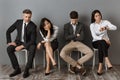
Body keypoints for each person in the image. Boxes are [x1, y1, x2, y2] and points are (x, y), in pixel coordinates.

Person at [60, 11, 93, 75]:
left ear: (77, 18)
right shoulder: (66, 25)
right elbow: (66, 37)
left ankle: (73, 66)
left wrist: (72, 36)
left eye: (75, 19)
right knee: (62, 54)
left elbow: (82, 37)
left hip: (78, 42)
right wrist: (76, 35)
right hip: (69, 43)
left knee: (91, 52)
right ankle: (79, 67)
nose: (74, 21)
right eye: (72, 20)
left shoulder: (81, 25)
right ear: (70, 18)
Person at [6, 9, 37, 78]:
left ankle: (27, 69)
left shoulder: (33, 26)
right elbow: (8, 31)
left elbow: (33, 40)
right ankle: (17, 69)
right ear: (23, 16)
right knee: (9, 49)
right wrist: (9, 42)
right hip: (18, 42)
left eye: (29, 17)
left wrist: (22, 46)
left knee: (33, 47)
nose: (27, 19)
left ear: (31, 16)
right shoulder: (18, 22)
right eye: (26, 17)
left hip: (29, 43)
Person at [90, 10, 117, 75]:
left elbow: (115, 27)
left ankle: (100, 67)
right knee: (101, 42)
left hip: (105, 43)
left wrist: (106, 27)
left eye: (99, 15)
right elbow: (94, 36)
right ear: (94, 17)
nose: (98, 17)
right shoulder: (92, 25)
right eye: (96, 16)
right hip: (95, 42)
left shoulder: (105, 22)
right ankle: (107, 59)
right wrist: (104, 38)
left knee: (101, 45)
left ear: (101, 15)